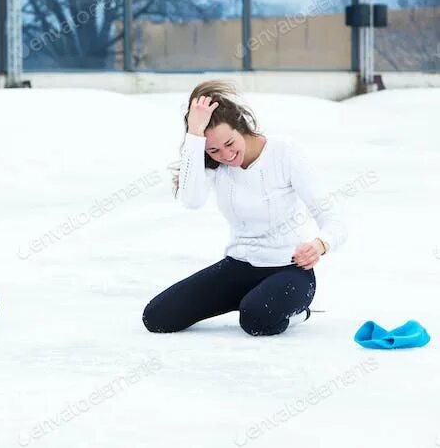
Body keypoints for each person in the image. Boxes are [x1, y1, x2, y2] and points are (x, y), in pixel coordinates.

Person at [142, 81, 346, 336]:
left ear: (241, 126)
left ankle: (294, 311)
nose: (226, 155)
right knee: (158, 317)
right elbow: (191, 200)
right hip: (238, 266)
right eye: (214, 150)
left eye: (229, 143)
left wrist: (320, 244)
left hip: (290, 270)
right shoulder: (213, 164)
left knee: (257, 320)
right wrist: (194, 134)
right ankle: (250, 299)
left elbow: (334, 220)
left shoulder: (284, 152)